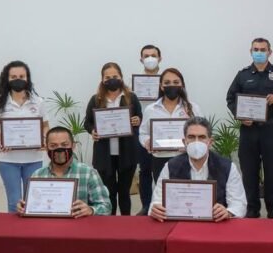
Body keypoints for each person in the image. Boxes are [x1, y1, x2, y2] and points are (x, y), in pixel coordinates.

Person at [225, 37, 273, 218]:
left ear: (270, 52)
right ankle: (252, 209)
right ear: (251, 51)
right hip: (249, 131)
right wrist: (240, 115)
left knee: (272, 172)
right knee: (249, 172)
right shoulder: (243, 75)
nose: (259, 52)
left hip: (271, 130)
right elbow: (230, 98)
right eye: (256, 49)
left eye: (263, 50)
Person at [149, 117, 247, 222]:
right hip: (181, 223)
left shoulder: (227, 167)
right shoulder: (170, 166)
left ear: (210, 142)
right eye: (191, 137)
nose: (196, 142)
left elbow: (239, 204)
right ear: (184, 141)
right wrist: (156, 209)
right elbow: (157, 201)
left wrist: (228, 212)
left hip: (216, 224)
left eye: (202, 137)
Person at [0, 60, 48, 214]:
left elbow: (46, 126)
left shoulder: (38, 102)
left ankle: (32, 229)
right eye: (13, 77)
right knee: (14, 202)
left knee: (33, 201)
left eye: (22, 76)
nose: (18, 79)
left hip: (34, 159)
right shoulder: (0, 103)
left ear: (27, 78)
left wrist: (43, 139)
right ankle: (13, 230)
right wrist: (2, 139)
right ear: (7, 79)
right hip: (9, 161)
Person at [84, 62, 143, 216]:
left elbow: (139, 117)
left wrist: (137, 120)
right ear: (102, 80)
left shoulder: (131, 97)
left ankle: (125, 222)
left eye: (115, 76)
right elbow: (87, 122)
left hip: (127, 153)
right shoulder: (96, 99)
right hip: (104, 154)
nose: (112, 79)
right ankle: (110, 224)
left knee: (124, 192)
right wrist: (93, 131)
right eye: (107, 77)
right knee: (108, 192)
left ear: (121, 77)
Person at [16, 127, 110, 217]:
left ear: (73, 146)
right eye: (53, 146)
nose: (59, 149)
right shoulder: (37, 175)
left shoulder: (88, 173)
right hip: (46, 226)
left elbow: (106, 207)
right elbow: (31, 206)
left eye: (64, 145)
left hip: (77, 226)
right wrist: (23, 207)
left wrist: (91, 210)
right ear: (46, 148)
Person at [139, 67, 201, 192]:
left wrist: (192, 144)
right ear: (161, 86)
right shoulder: (151, 109)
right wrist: (146, 142)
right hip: (159, 159)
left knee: (186, 193)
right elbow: (143, 133)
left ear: (182, 85)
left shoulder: (193, 108)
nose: (171, 85)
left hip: (186, 158)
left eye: (176, 82)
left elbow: (202, 132)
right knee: (163, 194)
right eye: (167, 83)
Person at [136, 44, 162, 214]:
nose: (150, 58)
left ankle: (163, 205)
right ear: (141, 59)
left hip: (164, 132)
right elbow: (130, 106)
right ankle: (146, 206)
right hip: (143, 133)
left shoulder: (167, 81)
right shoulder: (135, 83)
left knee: (163, 171)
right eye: (146, 56)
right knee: (144, 170)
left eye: (153, 55)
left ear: (160, 58)